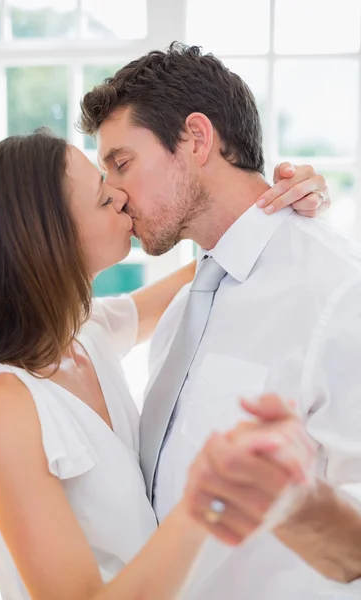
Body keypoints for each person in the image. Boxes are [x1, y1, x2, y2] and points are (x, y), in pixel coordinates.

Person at [0, 130, 319, 600]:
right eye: (101, 195)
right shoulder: (1, 402)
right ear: (43, 237)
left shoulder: (82, 334)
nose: (121, 195)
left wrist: (278, 207)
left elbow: (217, 263)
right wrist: (204, 499)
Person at [79, 42, 361, 600]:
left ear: (197, 139)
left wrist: (297, 503)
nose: (112, 190)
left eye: (122, 162)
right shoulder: (186, 305)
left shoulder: (337, 293)